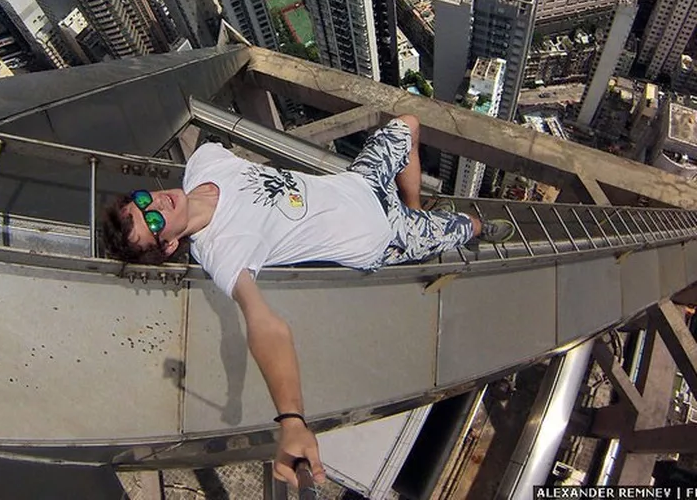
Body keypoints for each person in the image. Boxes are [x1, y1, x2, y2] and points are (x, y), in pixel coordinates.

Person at [102, 115, 514, 488]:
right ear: (171, 244)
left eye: (143, 201)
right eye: (152, 222)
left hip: (360, 183)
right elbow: (265, 327)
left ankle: (417, 206)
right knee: (465, 226)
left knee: (407, 125)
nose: (156, 205)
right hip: (384, 237)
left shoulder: (204, 162)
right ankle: (463, 228)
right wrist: (292, 418)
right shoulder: (223, 251)